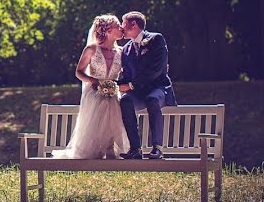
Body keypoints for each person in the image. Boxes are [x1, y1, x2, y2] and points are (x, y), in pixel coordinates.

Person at [51, 15, 129, 159]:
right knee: (98, 114)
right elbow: (79, 72)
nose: (121, 28)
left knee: (114, 112)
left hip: (113, 91)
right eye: (117, 25)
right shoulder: (92, 49)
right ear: (107, 30)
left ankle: (111, 149)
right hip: (94, 91)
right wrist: (93, 81)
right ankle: (96, 151)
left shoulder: (122, 52)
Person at [116, 11, 177, 159]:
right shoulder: (126, 49)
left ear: (133, 24)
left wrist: (130, 86)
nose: (121, 27)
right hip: (138, 92)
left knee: (152, 99)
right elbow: (126, 75)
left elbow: (155, 70)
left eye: (123, 23)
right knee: (125, 100)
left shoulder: (156, 39)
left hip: (158, 88)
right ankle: (135, 148)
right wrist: (111, 85)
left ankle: (157, 148)